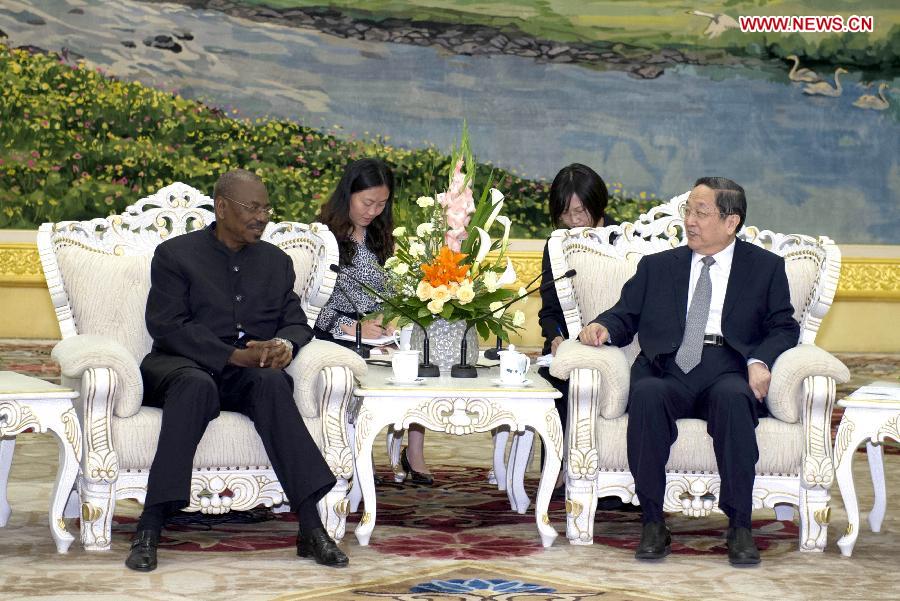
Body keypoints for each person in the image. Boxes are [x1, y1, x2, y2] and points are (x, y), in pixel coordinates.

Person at [127, 169, 348, 572]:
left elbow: (297, 322)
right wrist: (231, 355)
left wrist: (284, 345)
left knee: (270, 383)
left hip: (247, 372)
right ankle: (151, 524)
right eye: (253, 207)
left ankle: (311, 528)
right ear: (222, 206)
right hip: (181, 366)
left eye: (266, 208)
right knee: (195, 386)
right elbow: (167, 324)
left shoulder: (276, 262)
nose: (262, 216)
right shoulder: (175, 255)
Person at [579, 177, 799, 566]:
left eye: (702, 212)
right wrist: (603, 327)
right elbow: (624, 314)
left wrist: (760, 361)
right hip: (667, 365)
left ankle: (740, 526)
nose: (690, 221)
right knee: (646, 395)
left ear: (731, 222)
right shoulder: (658, 267)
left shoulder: (765, 268)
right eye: (688, 211)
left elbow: (784, 326)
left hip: (727, 367)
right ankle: (652, 522)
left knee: (734, 400)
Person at [313, 158, 433, 485]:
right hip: (336, 333)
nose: (373, 211)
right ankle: (351, 454)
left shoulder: (382, 235)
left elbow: (393, 290)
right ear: (347, 194)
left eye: (381, 205)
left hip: (379, 332)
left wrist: (393, 319)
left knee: (419, 359)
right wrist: (351, 328)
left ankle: (415, 452)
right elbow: (307, 305)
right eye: (367, 203)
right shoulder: (323, 237)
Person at [537, 164, 617, 494]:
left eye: (580, 211)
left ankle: (610, 477)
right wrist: (556, 337)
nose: (574, 221)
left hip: (614, 342)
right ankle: (555, 470)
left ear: (597, 204)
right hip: (567, 345)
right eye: (565, 213)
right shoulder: (557, 246)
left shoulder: (624, 240)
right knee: (554, 379)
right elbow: (549, 310)